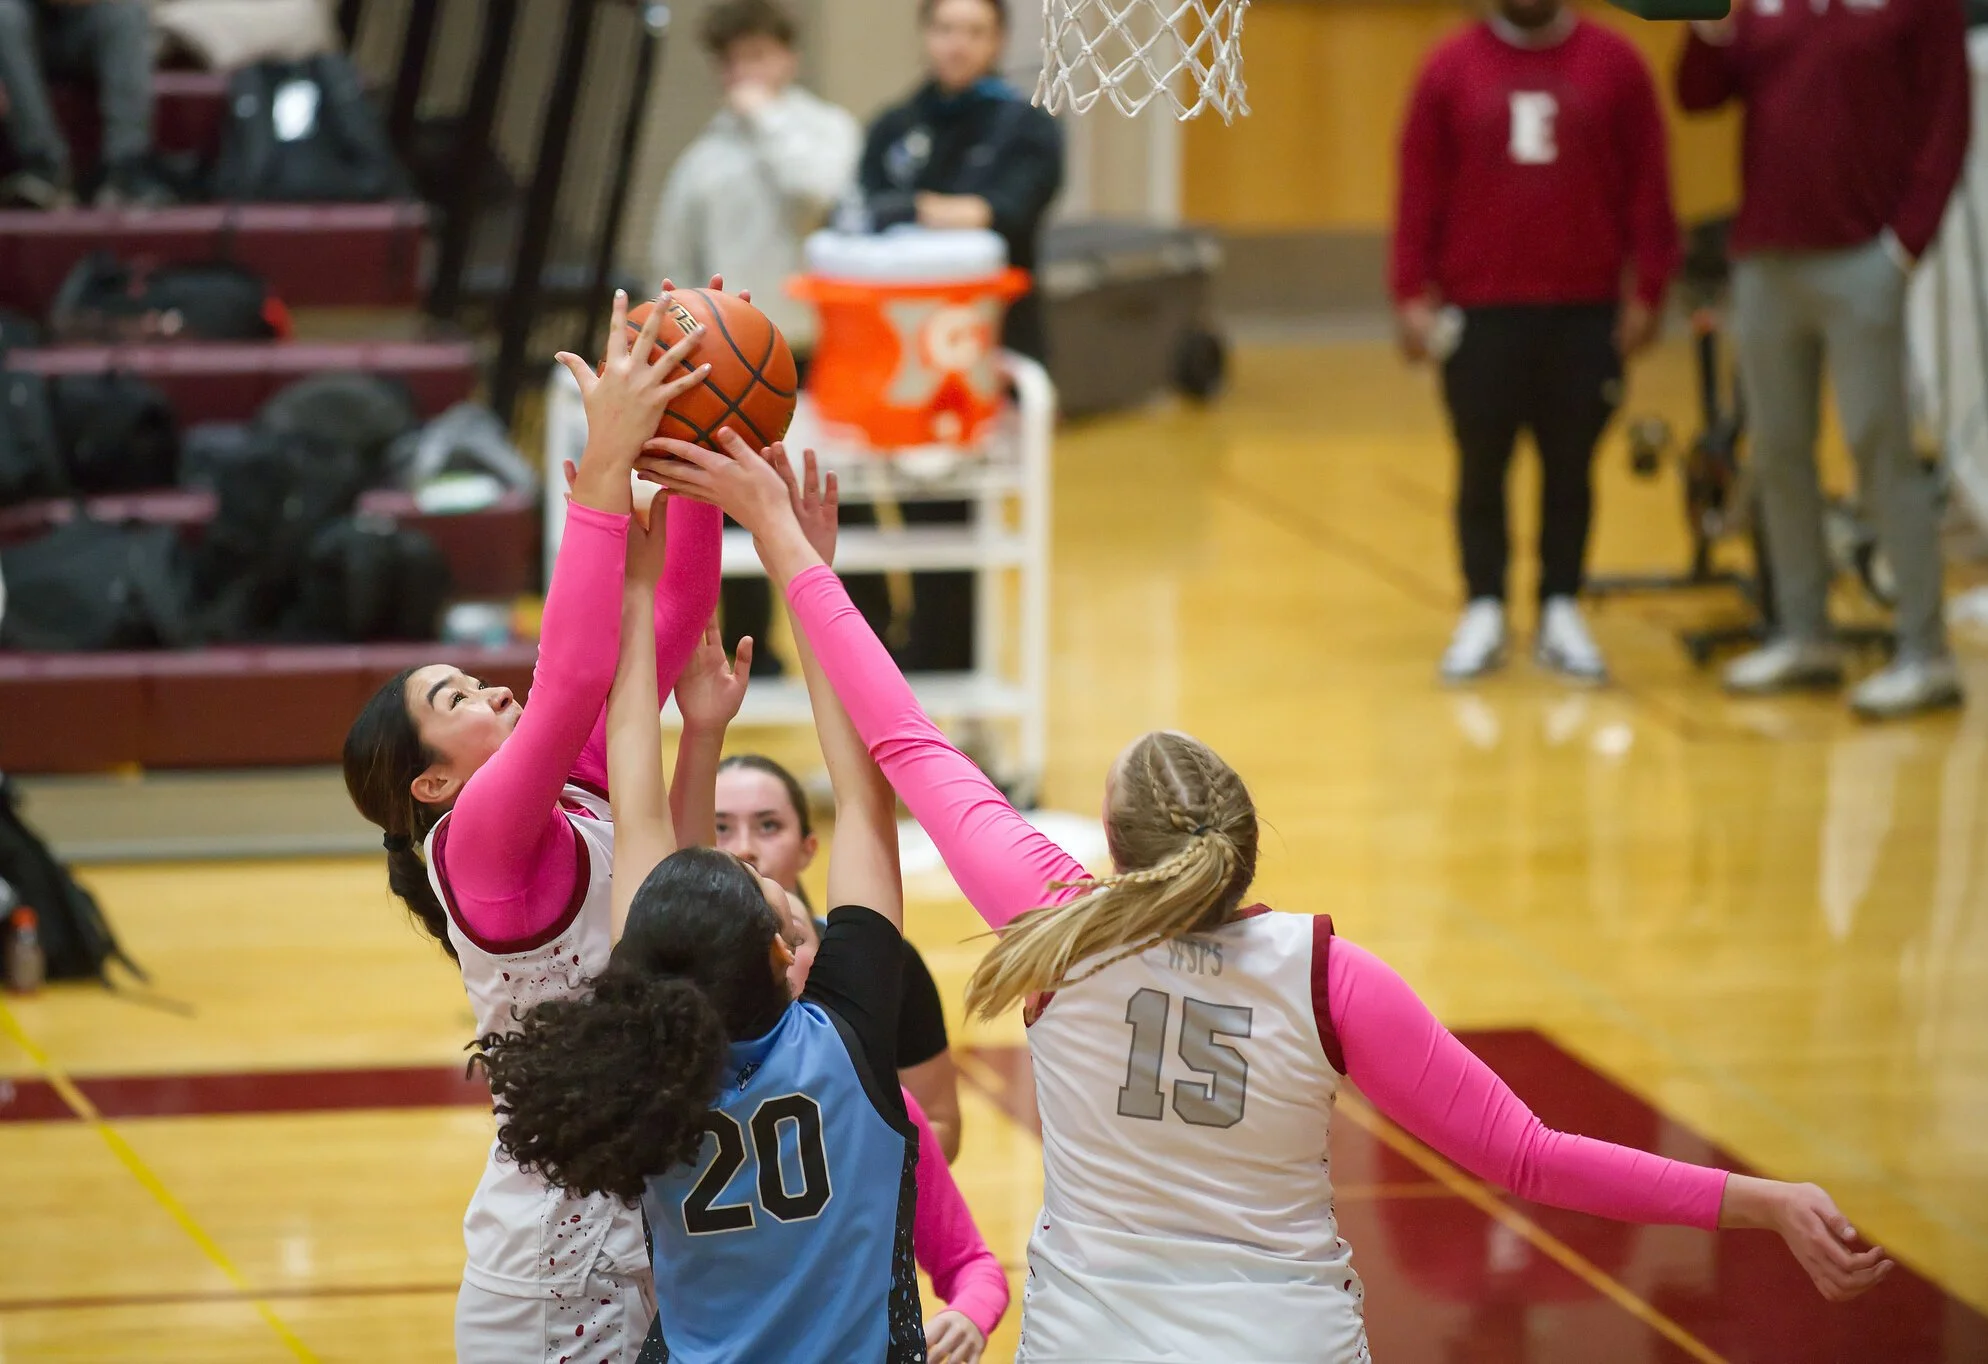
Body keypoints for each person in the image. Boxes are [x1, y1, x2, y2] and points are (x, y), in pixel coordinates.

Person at [638, 426, 1900, 1363]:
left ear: (1118, 849)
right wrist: (1765, 1199)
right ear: (1240, 851)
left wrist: (790, 544)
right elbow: (1529, 1154)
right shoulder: (1324, 973)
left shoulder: (1055, 919)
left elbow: (903, 737)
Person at [477, 448, 990, 1364]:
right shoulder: (847, 1041)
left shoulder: (643, 1063)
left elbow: (636, 792)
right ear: (778, 957)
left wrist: (638, 593)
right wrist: (805, 569)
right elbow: (865, 800)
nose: (763, 868)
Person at [339, 283, 723, 1361]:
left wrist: (691, 446)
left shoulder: (573, 795)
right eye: (454, 702)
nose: (489, 693)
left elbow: (672, 614)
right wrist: (606, 468)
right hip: (554, 1276)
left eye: (471, 678)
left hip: (650, 1229)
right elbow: (573, 677)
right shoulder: (477, 843)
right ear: (427, 784)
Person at [1677, 0, 1970, 718]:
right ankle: (1804, 633)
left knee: (1879, 448)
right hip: (1767, 259)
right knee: (1778, 451)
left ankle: (1925, 652)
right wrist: (1705, 24)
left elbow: (1948, 117)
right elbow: (1699, 94)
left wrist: (1905, 244)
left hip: (1862, 259)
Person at [1391, 0, 1680, 685]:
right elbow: (1418, 185)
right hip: (1482, 306)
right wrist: (1409, 289)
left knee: (1571, 465)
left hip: (1583, 308)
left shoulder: (1615, 64)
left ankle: (1560, 604)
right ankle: (1484, 604)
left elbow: (1650, 184)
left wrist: (1650, 288)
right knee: (1481, 462)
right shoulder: (1449, 66)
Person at [649, 0, 861, 680]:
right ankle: (752, 653)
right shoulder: (703, 160)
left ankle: (857, 641)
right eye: (736, 60)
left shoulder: (826, 132)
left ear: (788, 57)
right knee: (731, 507)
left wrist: (764, 116)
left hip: (816, 351)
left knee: (829, 498)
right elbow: (669, 262)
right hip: (727, 367)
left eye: (761, 55)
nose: (749, 72)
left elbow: (819, 188)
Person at [714, 751, 966, 1162]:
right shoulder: (671, 969)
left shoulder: (887, 964)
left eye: (768, 826)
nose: (744, 848)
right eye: (719, 827)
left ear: (808, 847)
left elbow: (940, 1121)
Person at [859, 0, 1063, 364]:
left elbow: (1007, 211)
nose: (958, 45)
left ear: (999, 40)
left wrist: (913, 209)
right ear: (926, 34)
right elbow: (865, 206)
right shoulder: (894, 125)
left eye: (975, 31)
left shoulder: (1026, 127)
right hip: (898, 330)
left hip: (995, 334)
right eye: (946, 29)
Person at [0, 0, 172, 207]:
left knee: (128, 12)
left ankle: (126, 168)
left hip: (85, 27)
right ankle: (43, 166)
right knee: (3, 14)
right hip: (17, 35)